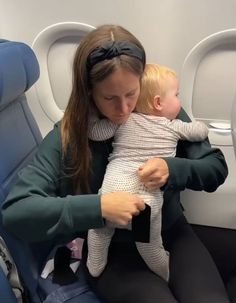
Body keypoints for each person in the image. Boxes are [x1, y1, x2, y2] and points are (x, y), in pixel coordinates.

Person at [1, 24, 229, 303]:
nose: (124, 109)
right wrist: (100, 208)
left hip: (170, 233)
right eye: (109, 98)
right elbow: (16, 211)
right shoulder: (70, 134)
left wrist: (173, 169)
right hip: (112, 252)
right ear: (89, 92)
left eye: (131, 93)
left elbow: (216, 168)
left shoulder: (159, 110)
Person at [86, 63, 209, 280]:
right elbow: (198, 132)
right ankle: (163, 270)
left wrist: (91, 116)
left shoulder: (123, 120)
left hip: (111, 197)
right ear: (159, 103)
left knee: (99, 231)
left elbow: (96, 132)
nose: (179, 102)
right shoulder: (173, 126)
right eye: (177, 95)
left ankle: (95, 265)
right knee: (148, 244)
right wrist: (202, 124)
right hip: (144, 204)